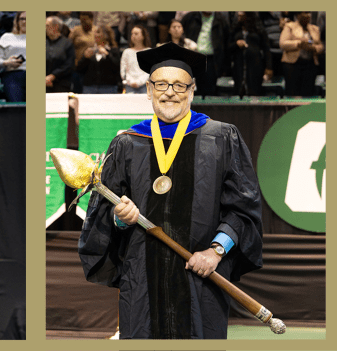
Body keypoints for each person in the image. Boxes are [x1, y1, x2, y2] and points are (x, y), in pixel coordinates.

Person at [79, 43, 263, 339]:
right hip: (142, 282)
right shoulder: (126, 144)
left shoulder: (221, 138)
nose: (169, 92)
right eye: (161, 84)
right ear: (149, 90)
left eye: (179, 85)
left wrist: (216, 251)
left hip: (201, 278)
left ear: (192, 91)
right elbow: (103, 213)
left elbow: (243, 207)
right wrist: (120, 218)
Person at [181, 11, 230, 97]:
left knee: (210, 92)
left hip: (212, 60)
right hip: (192, 59)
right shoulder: (190, 17)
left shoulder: (221, 19)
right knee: (190, 92)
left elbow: (226, 42)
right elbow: (180, 32)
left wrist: (224, 65)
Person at [279, 11, 323, 97]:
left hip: (310, 64)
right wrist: (299, 43)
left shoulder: (315, 28)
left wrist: (313, 48)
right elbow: (283, 44)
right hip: (292, 64)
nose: (308, 15)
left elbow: (321, 46)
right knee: (293, 94)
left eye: (309, 13)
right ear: (298, 15)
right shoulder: (289, 26)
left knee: (308, 94)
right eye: (305, 12)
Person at [228, 12, 273, 96]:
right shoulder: (235, 29)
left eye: (241, 12)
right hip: (239, 66)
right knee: (239, 91)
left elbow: (266, 49)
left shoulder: (259, 29)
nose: (238, 13)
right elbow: (228, 47)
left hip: (255, 67)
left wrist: (269, 67)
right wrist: (236, 44)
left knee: (254, 91)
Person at [76, 25, 120, 94]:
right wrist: (85, 58)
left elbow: (116, 68)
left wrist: (107, 55)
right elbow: (79, 69)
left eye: (98, 32)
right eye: (95, 32)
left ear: (106, 35)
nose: (95, 34)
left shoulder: (113, 50)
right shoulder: (90, 50)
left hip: (108, 87)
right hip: (90, 87)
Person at [0, 11, 26, 102]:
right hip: (12, 76)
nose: (25, 22)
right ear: (16, 21)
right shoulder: (7, 37)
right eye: (22, 19)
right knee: (16, 109)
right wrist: (7, 63)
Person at [46, 16, 75, 93]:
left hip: (62, 83)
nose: (44, 28)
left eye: (47, 25)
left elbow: (69, 64)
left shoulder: (67, 43)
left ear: (56, 27)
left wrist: (53, 76)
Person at [120, 24, 151, 94]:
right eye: (132, 34)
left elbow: (150, 71)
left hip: (145, 85)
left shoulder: (149, 51)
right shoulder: (127, 52)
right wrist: (131, 82)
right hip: (129, 85)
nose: (133, 36)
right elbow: (123, 71)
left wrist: (140, 82)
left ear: (143, 36)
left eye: (136, 34)